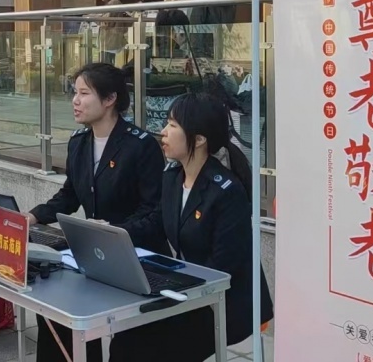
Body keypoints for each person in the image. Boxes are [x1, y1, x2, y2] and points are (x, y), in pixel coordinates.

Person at [107, 93, 273, 362]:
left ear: (199, 139)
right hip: (188, 293)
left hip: (223, 303)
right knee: (126, 337)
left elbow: (223, 267)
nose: (163, 132)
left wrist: (176, 288)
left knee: (151, 348)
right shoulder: (173, 176)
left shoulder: (226, 191)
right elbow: (157, 221)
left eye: (173, 125)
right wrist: (114, 231)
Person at [27, 62, 167, 362]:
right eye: (74, 92)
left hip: (137, 257)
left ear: (110, 99)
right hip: (95, 254)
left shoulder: (140, 146)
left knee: (128, 347)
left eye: (84, 93)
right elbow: (69, 196)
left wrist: (115, 232)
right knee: (54, 311)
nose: (75, 101)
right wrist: (33, 216)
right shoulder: (79, 143)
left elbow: (154, 212)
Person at [94, 0, 127, 65]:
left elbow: (106, 21)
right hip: (110, 40)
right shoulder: (114, 2)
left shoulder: (114, 3)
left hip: (110, 40)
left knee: (105, 64)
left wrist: (94, 17)